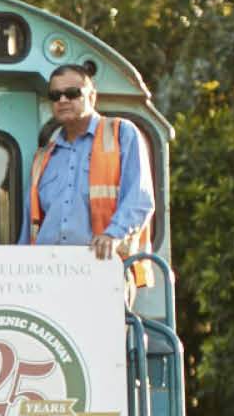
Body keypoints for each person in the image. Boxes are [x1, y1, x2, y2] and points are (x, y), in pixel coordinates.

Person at [26, 63, 155, 281]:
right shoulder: (44, 156)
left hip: (104, 270)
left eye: (73, 93)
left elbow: (139, 199)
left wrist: (112, 235)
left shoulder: (121, 133)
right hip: (47, 275)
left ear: (92, 97)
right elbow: (28, 225)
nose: (63, 100)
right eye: (56, 96)